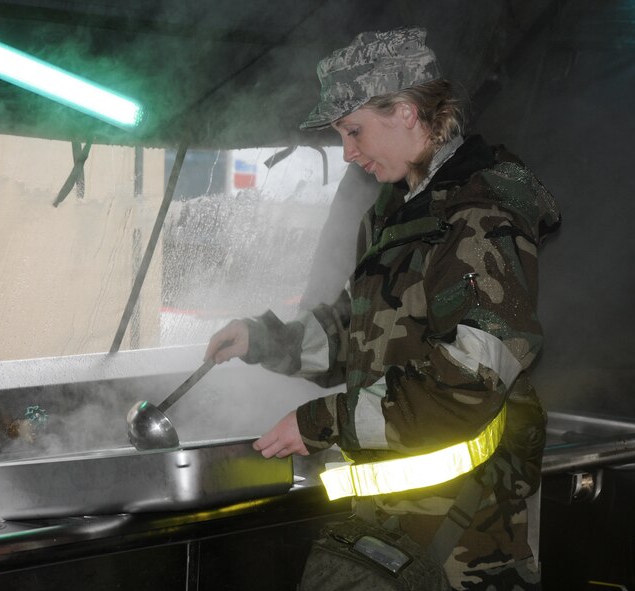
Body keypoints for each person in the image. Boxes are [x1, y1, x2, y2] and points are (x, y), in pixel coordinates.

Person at [204, 26, 560, 590]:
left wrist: (322, 421)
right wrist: (264, 339)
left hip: (467, 540)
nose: (347, 152)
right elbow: (361, 331)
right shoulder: (397, 210)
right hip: (394, 525)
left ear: (407, 111)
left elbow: (466, 386)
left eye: (354, 130)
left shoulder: (479, 219)